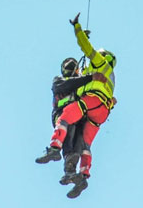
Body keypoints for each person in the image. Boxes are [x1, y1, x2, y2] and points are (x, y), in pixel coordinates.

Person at [35, 14, 117, 199]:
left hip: (85, 108)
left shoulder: (96, 68)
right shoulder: (63, 81)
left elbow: (88, 52)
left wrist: (79, 31)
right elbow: (73, 81)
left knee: (72, 125)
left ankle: (56, 149)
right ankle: (80, 174)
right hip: (95, 112)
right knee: (82, 143)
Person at [45, 57, 93, 184]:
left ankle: (73, 173)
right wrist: (89, 78)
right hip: (62, 114)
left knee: (80, 139)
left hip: (78, 116)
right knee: (69, 129)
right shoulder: (58, 81)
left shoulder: (81, 87)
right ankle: (58, 152)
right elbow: (68, 85)